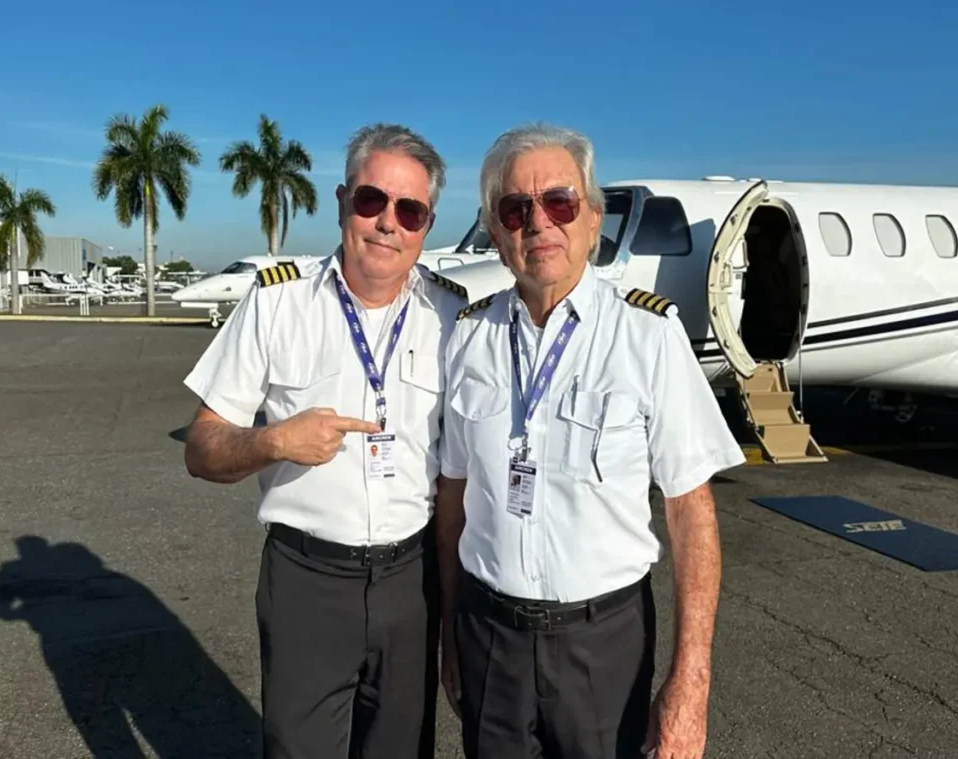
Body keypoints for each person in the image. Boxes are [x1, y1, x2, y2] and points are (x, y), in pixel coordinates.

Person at [436, 123, 746, 759]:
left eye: (559, 202)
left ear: (593, 218)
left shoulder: (648, 336)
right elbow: (452, 500)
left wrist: (692, 682)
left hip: (602, 645)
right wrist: (449, 630)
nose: (539, 223)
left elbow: (690, 513)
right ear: (496, 231)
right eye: (516, 209)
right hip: (488, 634)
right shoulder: (470, 338)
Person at [181, 123, 469, 759]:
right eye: (371, 200)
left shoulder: (452, 317)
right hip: (306, 581)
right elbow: (200, 447)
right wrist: (273, 442)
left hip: (412, 581)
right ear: (342, 202)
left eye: (410, 210)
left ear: (426, 225)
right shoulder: (277, 303)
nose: (387, 223)